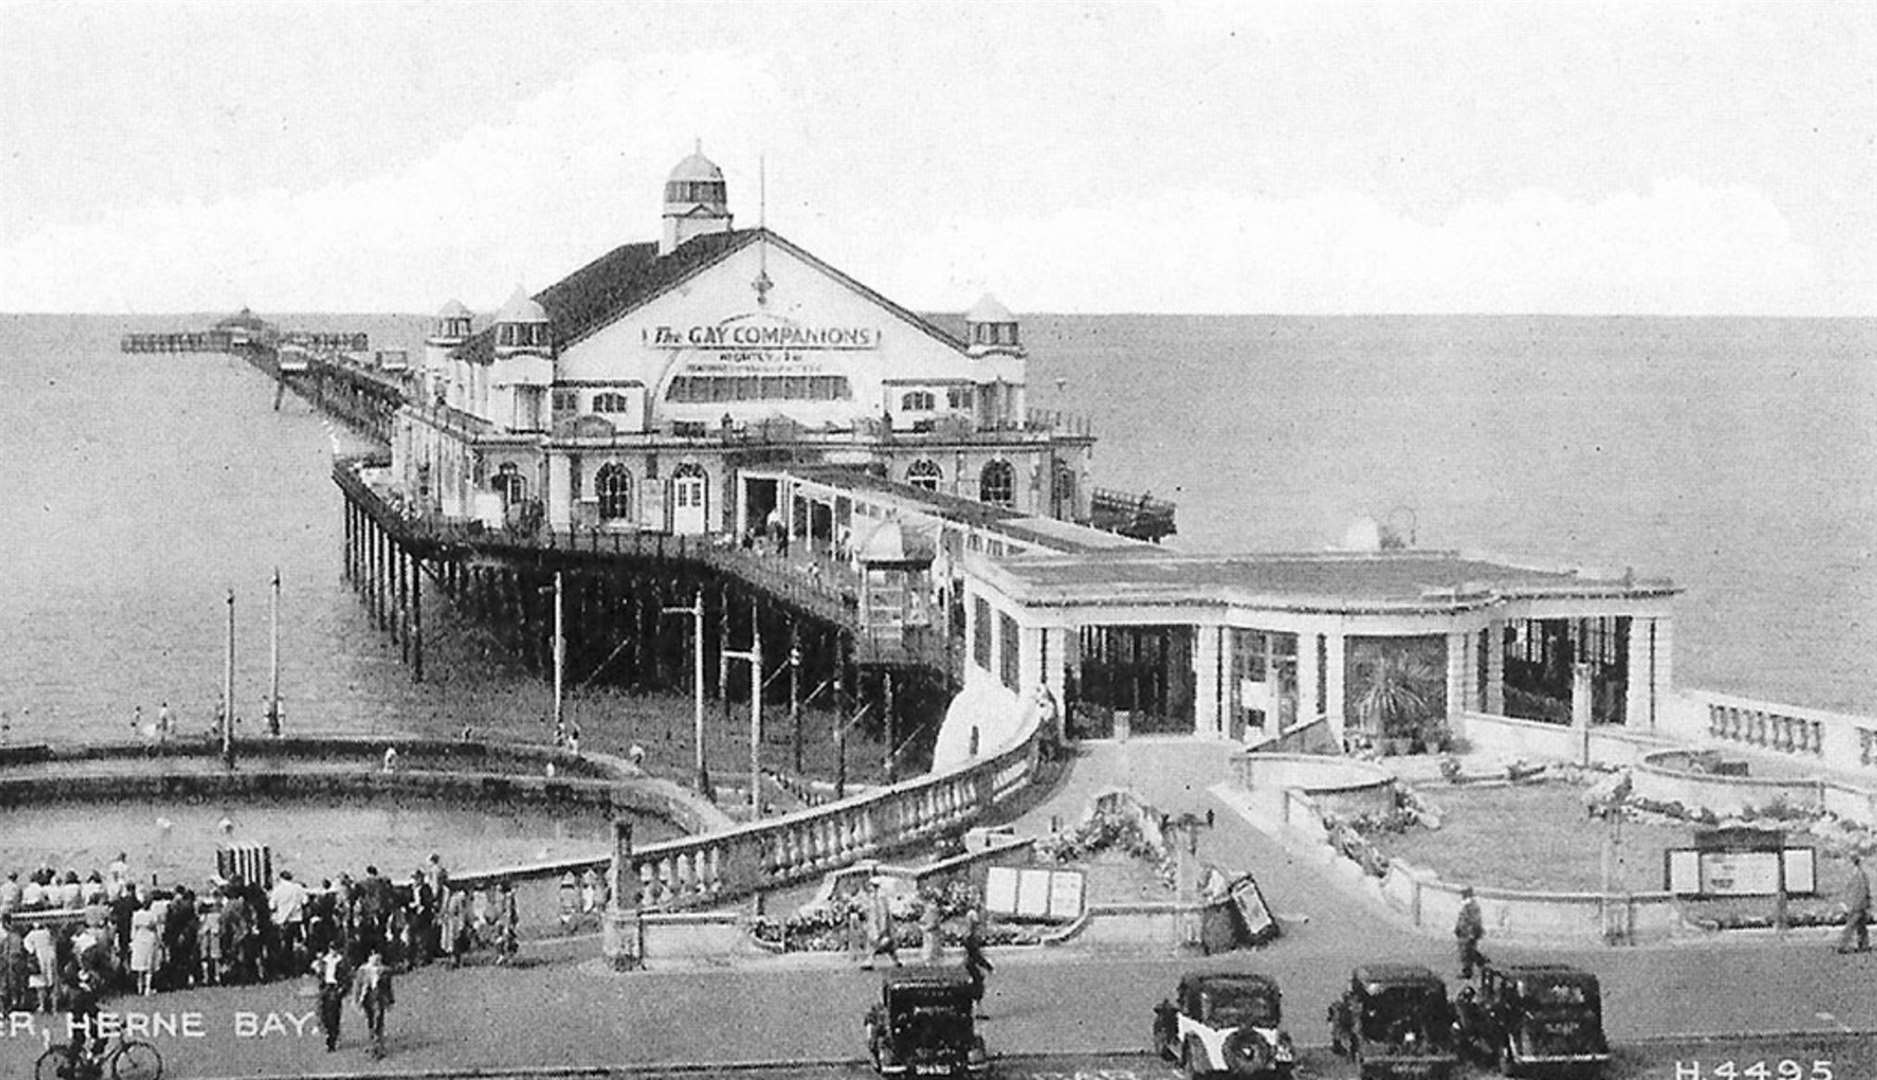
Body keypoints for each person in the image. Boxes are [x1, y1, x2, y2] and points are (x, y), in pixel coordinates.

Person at [356, 947, 394, 1058]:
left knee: (378, 1020)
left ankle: (378, 1046)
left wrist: (390, 1001)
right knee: (371, 1021)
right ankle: (373, 1043)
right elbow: (358, 986)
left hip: (379, 997)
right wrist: (357, 999)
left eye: (377, 957)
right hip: (368, 997)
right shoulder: (363, 971)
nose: (375, 959)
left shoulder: (385, 971)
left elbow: (388, 987)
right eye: (373, 957)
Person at [312, 940, 350, 1052]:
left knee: (333, 1015)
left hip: (335, 987)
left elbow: (347, 977)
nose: (333, 951)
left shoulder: (342, 961)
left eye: (335, 949)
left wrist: (342, 989)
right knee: (322, 1010)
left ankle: (332, 1039)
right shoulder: (324, 961)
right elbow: (320, 974)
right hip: (326, 987)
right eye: (331, 949)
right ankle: (328, 1032)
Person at [861, 877, 900, 970]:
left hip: (878, 926)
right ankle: (895, 961)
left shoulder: (880, 898)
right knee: (882, 946)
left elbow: (882, 914)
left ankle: (870, 961)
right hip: (874, 925)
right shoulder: (874, 898)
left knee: (878, 944)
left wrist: (882, 928)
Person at [960, 903, 994, 1008]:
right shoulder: (971, 937)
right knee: (977, 984)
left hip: (968, 962)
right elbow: (975, 954)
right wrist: (987, 966)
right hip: (971, 963)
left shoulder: (967, 935)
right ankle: (976, 1008)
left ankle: (976, 1007)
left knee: (976, 983)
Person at [1837, 853, 1871, 954]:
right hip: (1861, 904)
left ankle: (1843, 946)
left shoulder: (1856, 875)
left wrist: (1849, 905)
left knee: (1850, 926)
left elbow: (1856, 892)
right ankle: (1864, 945)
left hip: (1857, 905)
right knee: (1861, 927)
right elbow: (1865, 890)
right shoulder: (1862, 874)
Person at [1455, 886, 1486, 979]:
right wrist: (1458, 928)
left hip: (1468, 934)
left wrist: (1472, 934)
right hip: (1464, 933)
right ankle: (1481, 962)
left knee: (1466, 952)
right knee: (1469, 951)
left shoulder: (1472, 906)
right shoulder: (1466, 905)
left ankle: (1467, 971)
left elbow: (1475, 921)